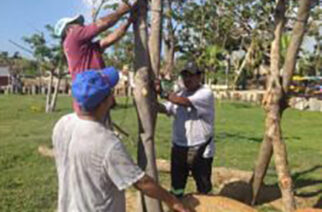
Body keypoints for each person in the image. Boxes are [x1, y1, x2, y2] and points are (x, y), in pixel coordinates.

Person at [52, 68, 190, 212]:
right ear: (106, 101)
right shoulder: (106, 143)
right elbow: (141, 182)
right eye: (110, 92)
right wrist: (173, 201)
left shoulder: (63, 124)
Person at [54, 2, 138, 112]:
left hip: (92, 96)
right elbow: (103, 23)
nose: (82, 26)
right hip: (90, 94)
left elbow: (109, 39)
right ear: (68, 29)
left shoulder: (85, 48)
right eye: (77, 24)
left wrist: (129, 21)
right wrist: (122, 10)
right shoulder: (73, 37)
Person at [156, 61, 215, 198]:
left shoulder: (205, 93)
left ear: (199, 77)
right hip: (179, 148)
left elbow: (185, 103)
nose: (187, 79)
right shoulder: (181, 93)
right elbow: (166, 108)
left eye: (191, 75)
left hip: (200, 149)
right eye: (185, 75)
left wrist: (163, 93)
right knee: (176, 189)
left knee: (204, 189)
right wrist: (150, 102)